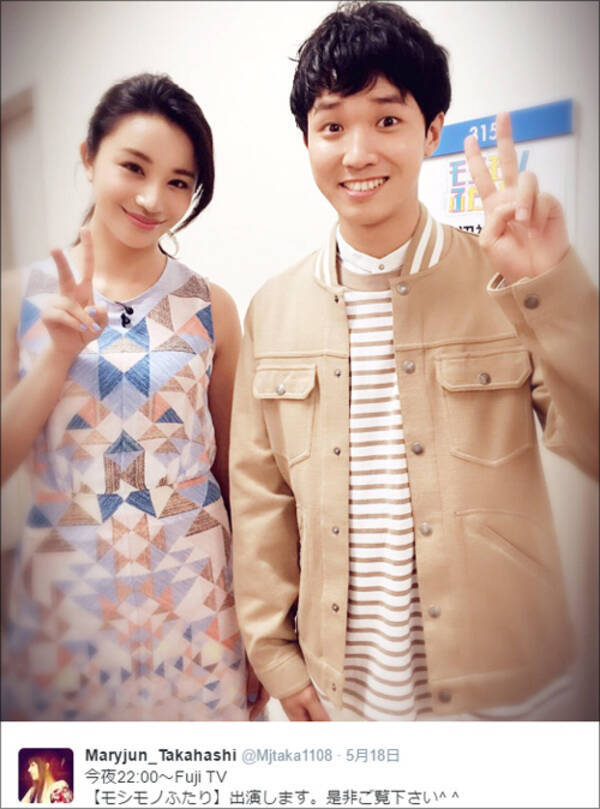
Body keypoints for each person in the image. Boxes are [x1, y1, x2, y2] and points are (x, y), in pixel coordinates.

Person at [230, 1, 598, 721]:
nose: (358, 152)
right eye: (332, 126)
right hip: (343, 694)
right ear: (307, 140)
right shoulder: (272, 309)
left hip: (507, 688)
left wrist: (553, 288)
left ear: (432, 131)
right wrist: (275, 657)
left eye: (388, 120)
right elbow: (260, 497)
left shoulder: (505, 279)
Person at [1, 72, 267, 720]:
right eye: (134, 167)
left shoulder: (212, 306)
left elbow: (238, 473)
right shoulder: (17, 296)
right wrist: (57, 356)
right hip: (69, 603)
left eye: (178, 182)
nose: (153, 199)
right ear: (89, 157)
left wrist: (265, 629)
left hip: (199, 598)